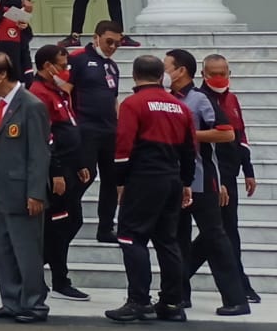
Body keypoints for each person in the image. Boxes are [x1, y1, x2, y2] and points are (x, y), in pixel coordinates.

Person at [105, 54, 196, 324]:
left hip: (144, 178)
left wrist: (120, 182)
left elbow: (123, 147)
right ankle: (172, 303)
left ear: (134, 76)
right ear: (161, 76)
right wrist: (186, 182)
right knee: (167, 241)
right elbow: (191, 149)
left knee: (131, 237)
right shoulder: (179, 107)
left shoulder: (133, 104)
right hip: (172, 178)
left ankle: (138, 301)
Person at [164, 49, 249, 315]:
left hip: (203, 181)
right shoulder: (166, 100)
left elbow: (226, 135)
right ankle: (177, 296)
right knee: (176, 239)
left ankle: (236, 299)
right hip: (176, 182)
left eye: (167, 67)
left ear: (182, 71)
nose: (164, 72)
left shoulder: (200, 99)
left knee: (215, 237)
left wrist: (189, 135)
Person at [0, 50, 51, 322]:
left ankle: (34, 304)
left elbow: (39, 153)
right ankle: (11, 300)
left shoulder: (31, 105)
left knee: (27, 251)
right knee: (4, 250)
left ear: (2, 73)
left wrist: (35, 192)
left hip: (22, 192)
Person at [193, 54, 260, 307]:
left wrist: (249, 170)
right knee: (220, 232)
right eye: (214, 73)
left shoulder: (231, 99)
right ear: (204, 74)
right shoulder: (202, 101)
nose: (219, 78)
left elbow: (240, 135)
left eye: (223, 72)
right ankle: (239, 284)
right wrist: (219, 179)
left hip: (230, 175)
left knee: (221, 231)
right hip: (214, 177)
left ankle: (181, 277)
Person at [28, 43, 89, 301]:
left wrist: (82, 162)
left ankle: (41, 267)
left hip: (71, 164)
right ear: (46, 66)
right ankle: (56, 277)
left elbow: (70, 126)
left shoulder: (59, 91)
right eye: (62, 66)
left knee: (73, 221)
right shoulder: (38, 93)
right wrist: (57, 172)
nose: (66, 71)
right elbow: (46, 137)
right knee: (60, 224)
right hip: (57, 168)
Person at [70, 21, 124, 243]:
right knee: (86, 174)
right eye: (108, 41)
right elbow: (65, 90)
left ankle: (105, 227)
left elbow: (113, 99)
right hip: (85, 127)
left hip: (109, 130)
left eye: (117, 43)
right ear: (96, 37)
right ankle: (66, 210)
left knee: (112, 178)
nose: (112, 46)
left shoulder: (112, 66)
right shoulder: (78, 58)